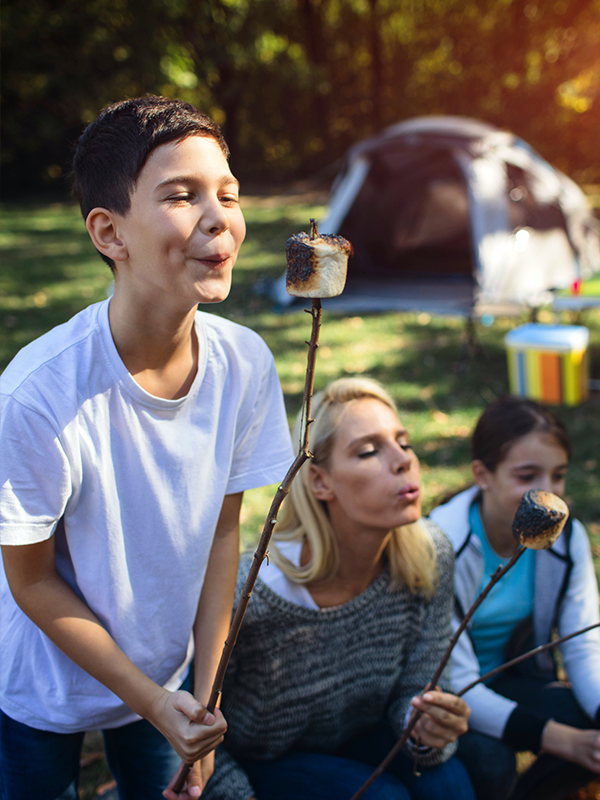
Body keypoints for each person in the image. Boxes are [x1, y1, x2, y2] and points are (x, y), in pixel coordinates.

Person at [0, 96, 294, 800]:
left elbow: (223, 536)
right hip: (44, 684)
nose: (219, 218)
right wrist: (154, 701)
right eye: (182, 196)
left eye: (228, 194)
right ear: (110, 232)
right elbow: (31, 582)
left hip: (168, 675)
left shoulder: (244, 364)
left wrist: (203, 697)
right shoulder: (37, 396)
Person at [202, 377, 475, 800]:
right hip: (258, 763)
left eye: (403, 442)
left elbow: (417, 685)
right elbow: (189, 731)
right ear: (320, 482)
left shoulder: (429, 554)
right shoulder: (250, 594)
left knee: (453, 780)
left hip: (361, 737)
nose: (403, 460)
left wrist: (425, 726)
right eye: (369, 451)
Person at [430, 395, 600, 800]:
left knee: (589, 720)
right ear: (482, 474)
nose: (549, 494)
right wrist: (562, 740)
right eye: (527, 476)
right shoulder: (441, 545)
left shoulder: (566, 539)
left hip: (515, 679)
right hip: (449, 699)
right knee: (491, 760)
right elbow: (457, 682)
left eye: (558, 475)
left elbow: (582, 645)